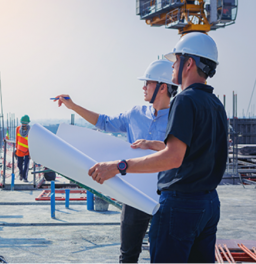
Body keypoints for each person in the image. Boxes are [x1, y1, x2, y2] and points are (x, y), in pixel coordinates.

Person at [87, 33, 226, 264]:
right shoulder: (216, 104)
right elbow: (203, 153)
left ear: (189, 63)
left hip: (181, 206)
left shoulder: (184, 100)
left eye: (176, 59)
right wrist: (156, 145)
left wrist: (119, 166)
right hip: (209, 204)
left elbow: (173, 158)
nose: (173, 64)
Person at [55, 59, 177, 264]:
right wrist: (73, 106)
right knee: (128, 255)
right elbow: (104, 122)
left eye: (148, 83)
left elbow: (184, 154)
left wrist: (155, 144)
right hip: (135, 195)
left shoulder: (178, 117)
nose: (143, 87)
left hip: (166, 196)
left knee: (164, 256)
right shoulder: (135, 114)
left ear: (162, 87)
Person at [15, 115, 31, 182]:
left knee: (26, 165)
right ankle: (21, 173)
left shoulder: (30, 130)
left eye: (25, 123)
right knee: (19, 164)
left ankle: (25, 177)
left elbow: (31, 140)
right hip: (19, 149)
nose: (24, 125)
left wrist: (31, 151)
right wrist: (16, 147)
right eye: (23, 123)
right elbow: (17, 138)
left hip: (27, 150)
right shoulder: (18, 129)